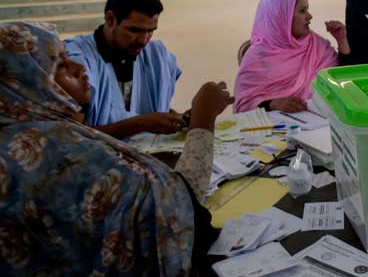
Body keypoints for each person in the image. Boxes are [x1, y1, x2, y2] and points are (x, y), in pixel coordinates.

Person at [0, 21, 233, 276]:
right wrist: (204, 116)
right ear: (27, 83)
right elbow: (178, 208)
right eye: (60, 66)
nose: (79, 68)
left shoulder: (20, 126)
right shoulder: (57, 154)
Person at [65, 0, 184, 138]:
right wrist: (142, 124)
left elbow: (145, 109)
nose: (143, 40)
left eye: (151, 31)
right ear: (110, 19)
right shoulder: (77, 61)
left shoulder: (157, 56)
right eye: (135, 30)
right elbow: (71, 135)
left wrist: (183, 119)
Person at [234, 0, 351, 113]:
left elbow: (343, 79)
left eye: (307, 9)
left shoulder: (315, 45)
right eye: (302, 11)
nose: (309, 16)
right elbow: (243, 107)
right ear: (282, 16)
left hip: (319, 123)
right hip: (278, 129)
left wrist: (342, 40)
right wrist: (273, 104)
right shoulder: (257, 57)